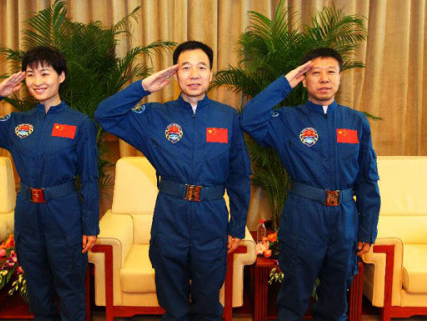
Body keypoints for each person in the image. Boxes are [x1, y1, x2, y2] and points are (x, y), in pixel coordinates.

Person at [95, 40, 251, 321]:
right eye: (186, 67)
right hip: (171, 215)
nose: (194, 74)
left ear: (211, 74)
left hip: (211, 216)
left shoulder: (227, 118)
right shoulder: (155, 116)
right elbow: (105, 114)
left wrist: (237, 225)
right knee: (172, 302)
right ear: (175, 74)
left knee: (207, 303)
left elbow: (239, 176)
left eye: (201, 67)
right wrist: (143, 88)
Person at [0, 46, 99, 321]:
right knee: (37, 286)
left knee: (70, 287)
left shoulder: (80, 123)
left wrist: (90, 226)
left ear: (61, 76)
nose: (37, 81)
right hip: (28, 214)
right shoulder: (17, 122)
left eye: (45, 73)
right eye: (31, 74)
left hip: (64, 212)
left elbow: (90, 178)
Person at [241, 47, 380, 321]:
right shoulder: (288, 120)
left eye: (331, 72)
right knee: (294, 296)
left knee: (336, 298)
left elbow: (367, 179)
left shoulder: (356, 122)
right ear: (304, 80)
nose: (324, 78)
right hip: (303, 216)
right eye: (315, 72)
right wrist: (285, 82)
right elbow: (249, 119)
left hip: (344, 220)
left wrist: (367, 229)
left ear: (340, 78)